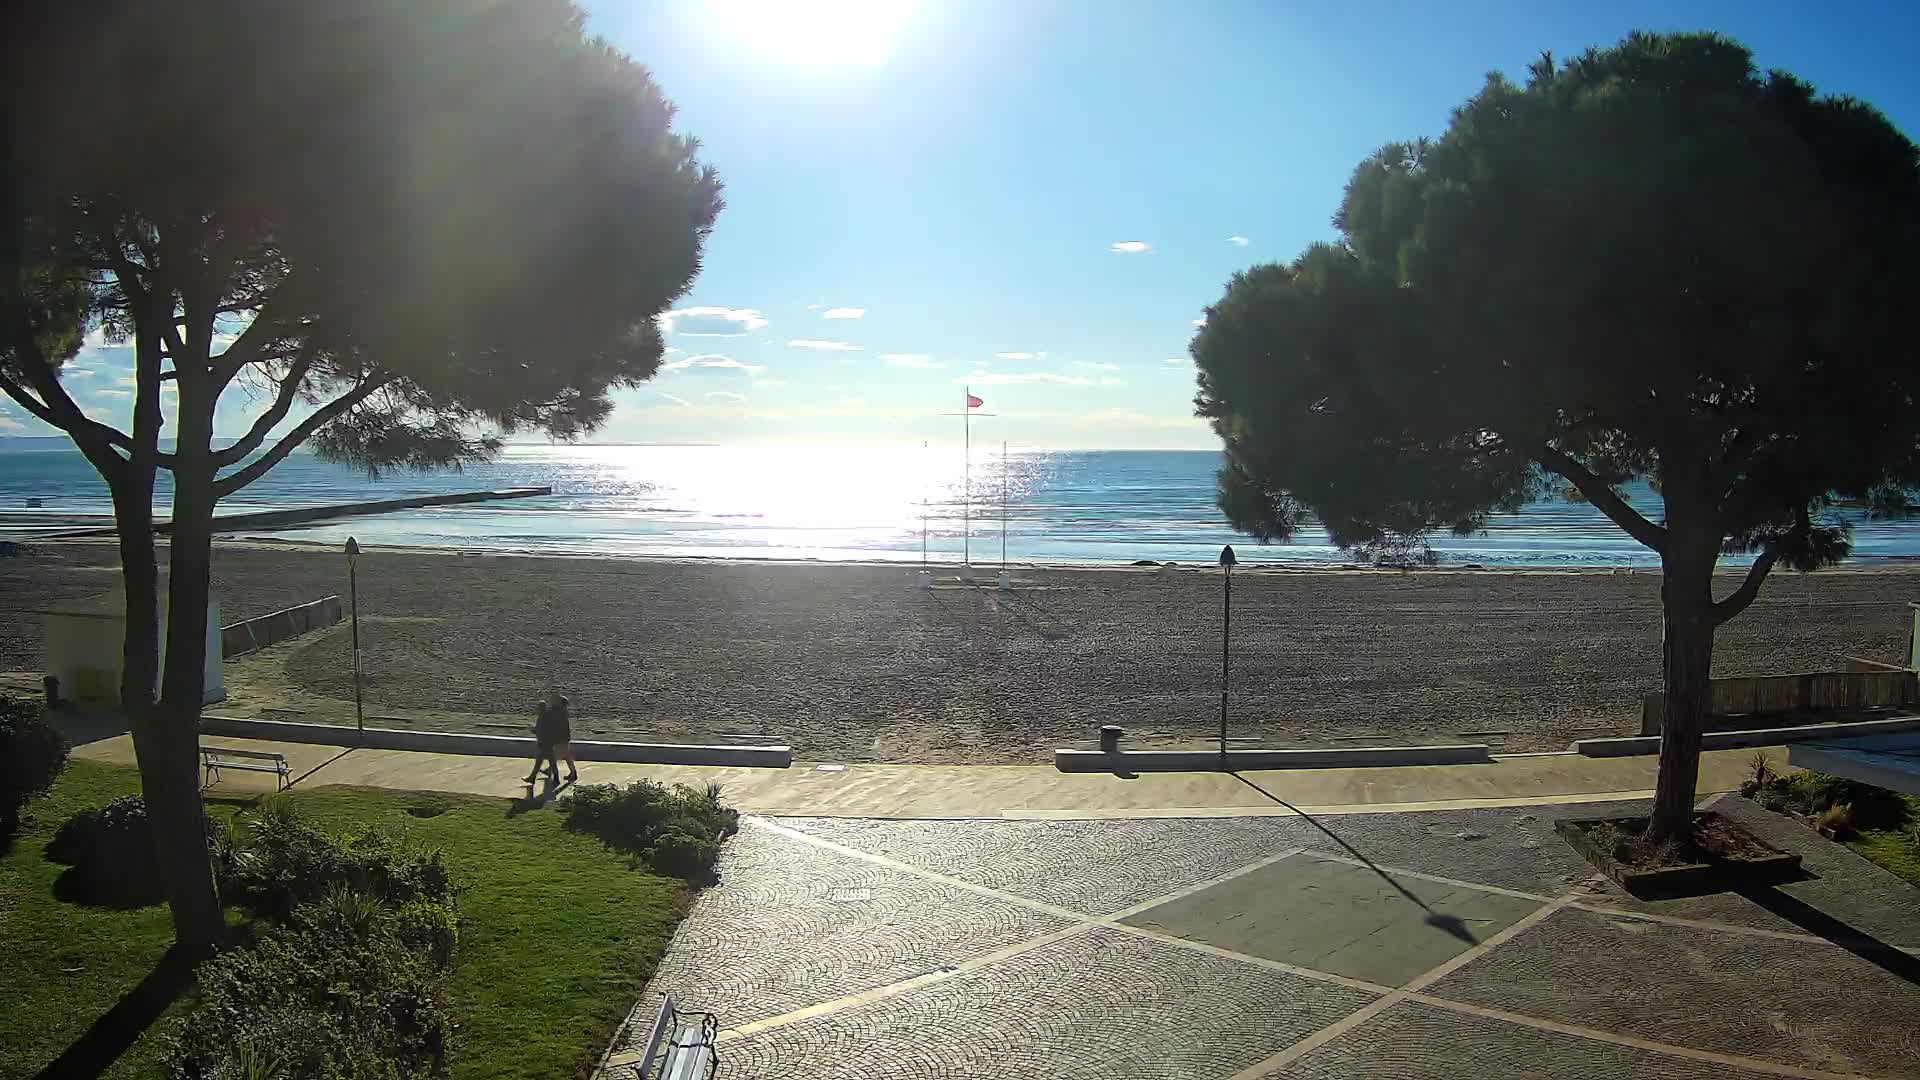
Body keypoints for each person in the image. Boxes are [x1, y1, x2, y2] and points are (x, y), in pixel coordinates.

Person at [524, 693, 562, 785]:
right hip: (549, 742)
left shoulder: (541, 718)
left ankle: (532, 778)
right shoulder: (549, 716)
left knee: (541, 761)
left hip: (543, 743)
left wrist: (531, 729)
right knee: (550, 761)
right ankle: (555, 779)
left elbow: (539, 731)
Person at [543, 690, 578, 784]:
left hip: (560, 738)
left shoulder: (558, 712)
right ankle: (573, 773)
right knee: (566, 755)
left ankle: (552, 773)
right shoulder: (563, 712)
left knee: (556, 756)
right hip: (564, 737)